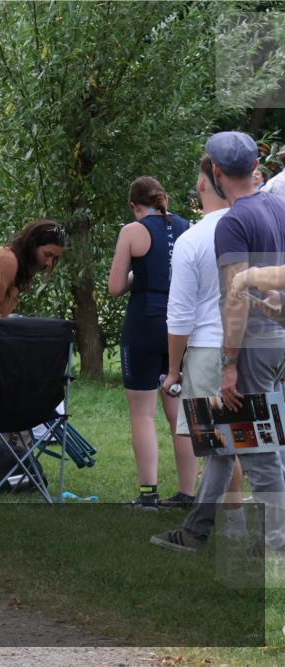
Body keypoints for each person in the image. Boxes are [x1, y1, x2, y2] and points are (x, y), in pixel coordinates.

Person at [152, 131, 285, 553]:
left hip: (250, 348)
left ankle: (276, 543)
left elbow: (235, 299)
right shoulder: (277, 208)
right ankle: (195, 531)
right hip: (276, 341)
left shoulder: (234, 222)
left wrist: (230, 365)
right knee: (226, 442)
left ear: (217, 173)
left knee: (260, 452)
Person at [107, 176, 193, 509]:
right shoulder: (188, 227)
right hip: (180, 326)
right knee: (180, 413)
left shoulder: (133, 231)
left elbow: (115, 286)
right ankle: (187, 493)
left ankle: (148, 495)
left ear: (134, 205)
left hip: (144, 323)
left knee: (143, 414)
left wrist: (136, 276)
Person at [163, 155, 230, 512]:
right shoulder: (259, 223)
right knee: (252, 442)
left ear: (205, 182)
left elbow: (180, 316)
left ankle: (228, 524)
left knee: (218, 445)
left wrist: (174, 370)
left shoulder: (194, 238)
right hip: (255, 344)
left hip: (207, 348)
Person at [0, 220, 66, 359]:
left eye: (54, 258)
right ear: (32, 245)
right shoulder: (6, 261)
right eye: (47, 255)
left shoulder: (15, 264)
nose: (49, 263)